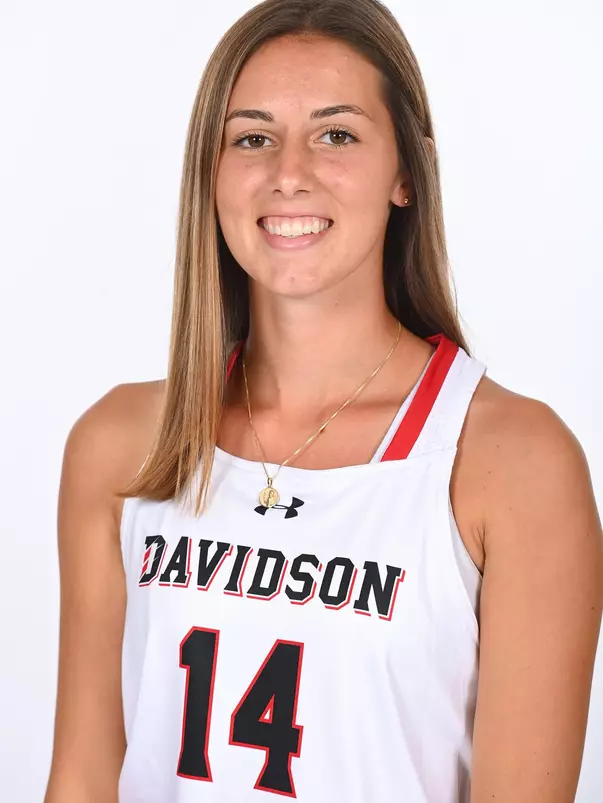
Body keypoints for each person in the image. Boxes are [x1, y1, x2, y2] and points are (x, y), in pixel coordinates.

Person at [45, 1, 603, 801]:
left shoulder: (511, 463)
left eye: (336, 134)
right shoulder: (122, 444)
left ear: (406, 173)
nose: (289, 172)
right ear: (210, 171)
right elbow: (82, 779)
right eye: (252, 138)